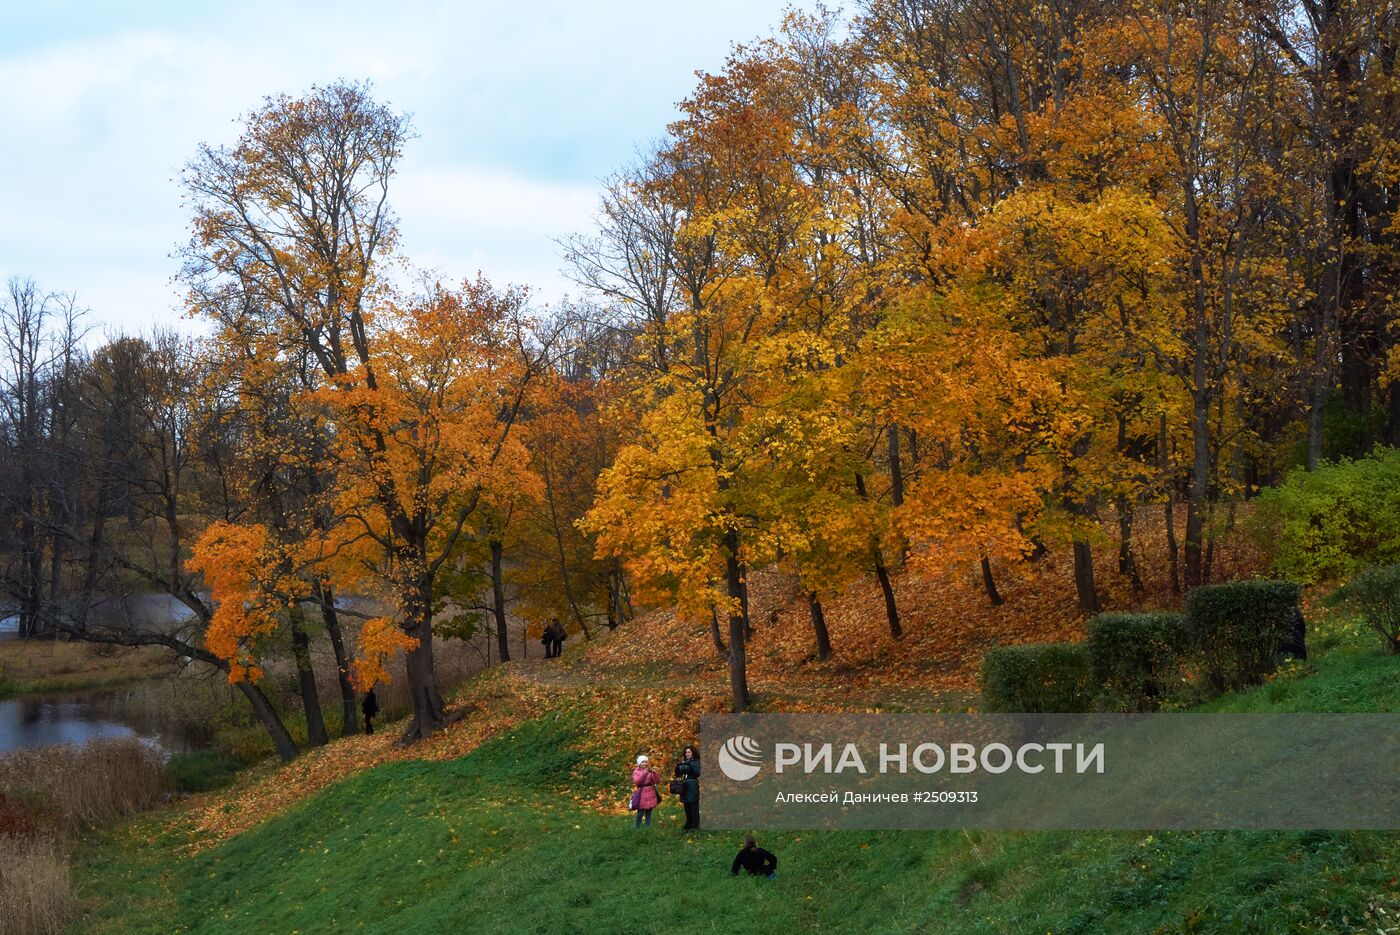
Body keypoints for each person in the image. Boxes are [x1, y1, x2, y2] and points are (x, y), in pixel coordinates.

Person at [674, 744, 701, 830]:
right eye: (686, 752)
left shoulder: (696, 762)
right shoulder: (684, 762)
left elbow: (697, 773)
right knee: (686, 806)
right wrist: (678, 766)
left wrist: (689, 764)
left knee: (693, 806)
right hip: (684, 786)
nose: (687, 754)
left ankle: (695, 826)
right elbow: (678, 774)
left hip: (692, 785)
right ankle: (688, 825)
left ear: (693, 753)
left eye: (689, 752)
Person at [631, 754, 661, 828]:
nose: (644, 763)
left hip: (650, 792)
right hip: (641, 793)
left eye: (645, 762)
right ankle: (636, 828)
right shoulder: (636, 771)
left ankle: (648, 828)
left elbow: (657, 781)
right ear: (639, 763)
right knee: (640, 813)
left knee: (649, 812)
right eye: (642, 762)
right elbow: (636, 781)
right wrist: (644, 774)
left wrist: (654, 773)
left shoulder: (650, 771)